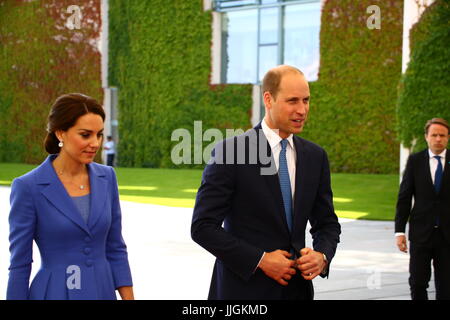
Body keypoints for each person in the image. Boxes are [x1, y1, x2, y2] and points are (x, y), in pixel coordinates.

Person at [191, 65, 341, 300]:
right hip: (242, 292)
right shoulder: (230, 152)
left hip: (297, 293)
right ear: (268, 99)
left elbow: (327, 223)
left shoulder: (315, 157)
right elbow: (202, 227)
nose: (302, 110)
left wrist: (322, 256)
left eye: (306, 100)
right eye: (292, 101)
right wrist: (260, 259)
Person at [7, 93, 134, 300]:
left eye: (99, 134)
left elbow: (116, 247)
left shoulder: (107, 177)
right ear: (60, 133)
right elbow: (20, 263)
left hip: (102, 291)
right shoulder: (27, 187)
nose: (95, 143)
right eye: (86, 135)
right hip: (54, 292)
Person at [395, 117, 450, 300]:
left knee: (446, 285)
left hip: (447, 236)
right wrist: (399, 231)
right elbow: (404, 197)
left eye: (442, 135)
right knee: (418, 283)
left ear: (448, 137)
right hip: (421, 234)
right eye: (434, 135)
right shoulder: (415, 161)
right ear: (426, 137)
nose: (438, 139)